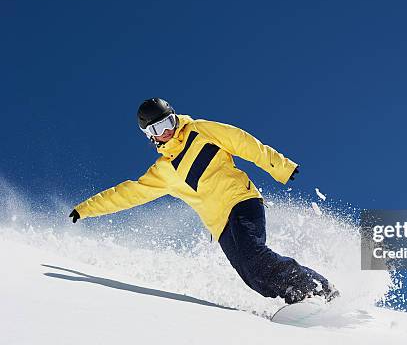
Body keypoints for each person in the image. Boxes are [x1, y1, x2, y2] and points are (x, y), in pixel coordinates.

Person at [69, 98, 339, 304]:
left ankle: (315, 290)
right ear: (150, 136)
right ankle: (301, 299)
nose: (168, 131)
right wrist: (86, 209)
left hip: (242, 200)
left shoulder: (200, 131)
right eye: (159, 128)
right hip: (219, 226)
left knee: (254, 256)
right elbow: (128, 193)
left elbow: (242, 141)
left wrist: (279, 166)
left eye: (169, 122)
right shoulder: (164, 171)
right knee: (251, 275)